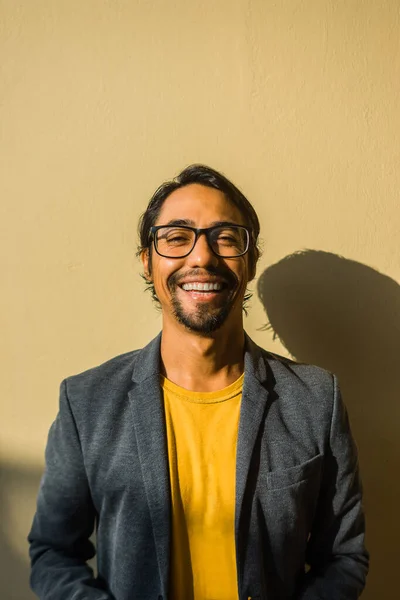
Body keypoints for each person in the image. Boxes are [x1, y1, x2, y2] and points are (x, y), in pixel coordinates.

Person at [28, 164, 368, 600]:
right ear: (147, 261)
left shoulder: (317, 400)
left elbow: (345, 557)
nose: (202, 257)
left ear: (251, 261)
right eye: (176, 237)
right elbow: (53, 552)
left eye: (225, 237)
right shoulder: (87, 402)